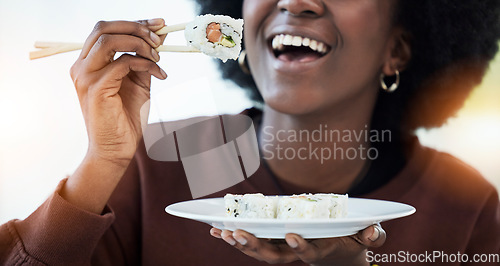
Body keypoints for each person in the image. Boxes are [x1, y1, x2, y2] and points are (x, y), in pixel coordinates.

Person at [1, 0, 500, 265]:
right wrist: (104, 161)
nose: (298, 1)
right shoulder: (159, 161)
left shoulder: (465, 206)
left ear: (399, 50)